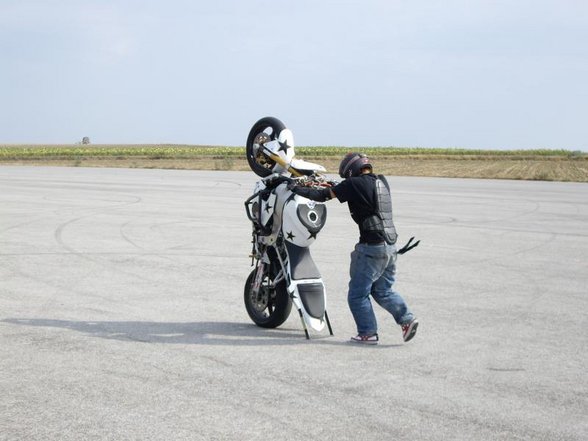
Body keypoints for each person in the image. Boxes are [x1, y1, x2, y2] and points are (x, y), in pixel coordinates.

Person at [288, 152, 418, 345]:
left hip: (371, 248)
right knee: (383, 291)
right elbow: (353, 192)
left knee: (357, 295)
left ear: (350, 170)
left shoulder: (352, 184)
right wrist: (336, 186)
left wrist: (295, 188)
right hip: (390, 246)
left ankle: (367, 333)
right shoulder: (381, 181)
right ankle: (407, 319)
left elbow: (322, 196)